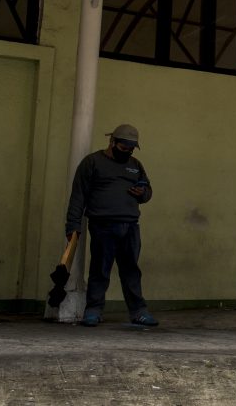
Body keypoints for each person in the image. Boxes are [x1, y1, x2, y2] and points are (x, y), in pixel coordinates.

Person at [64, 124, 157, 327]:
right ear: (112, 142)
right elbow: (78, 196)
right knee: (100, 269)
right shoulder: (92, 162)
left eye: (132, 149)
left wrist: (143, 194)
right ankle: (94, 310)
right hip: (102, 224)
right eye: (124, 148)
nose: (128, 152)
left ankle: (139, 312)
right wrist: (72, 225)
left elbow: (148, 191)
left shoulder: (136, 164)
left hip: (131, 225)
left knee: (131, 270)